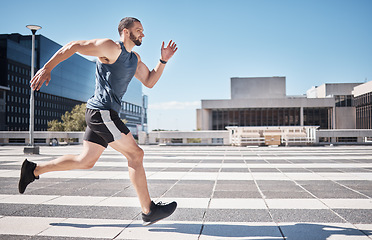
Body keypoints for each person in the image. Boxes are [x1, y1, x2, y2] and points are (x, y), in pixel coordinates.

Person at [18, 17, 178, 226]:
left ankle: (33, 170)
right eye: (139, 30)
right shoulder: (111, 47)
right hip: (101, 113)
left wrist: (163, 60)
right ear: (126, 32)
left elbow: (149, 81)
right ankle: (148, 209)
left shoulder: (134, 59)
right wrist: (47, 67)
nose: (143, 34)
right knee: (136, 154)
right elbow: (74, 46)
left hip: (103, 115)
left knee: (85, 161)